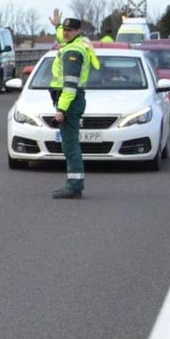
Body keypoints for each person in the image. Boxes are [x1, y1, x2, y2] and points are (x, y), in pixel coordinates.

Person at [47, 10, 101, 200]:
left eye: (70, 30)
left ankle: (74, 186)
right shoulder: (76, 43)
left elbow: (70, 85)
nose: (66, 33)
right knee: (70, 143)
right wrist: (57, 25)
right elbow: (62, 37)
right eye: (65, 30)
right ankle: (74, 184)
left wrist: (61, 109)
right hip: (71, 99)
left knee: (70, 145)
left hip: (69, 99)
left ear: (78, 31)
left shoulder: (72, 51)